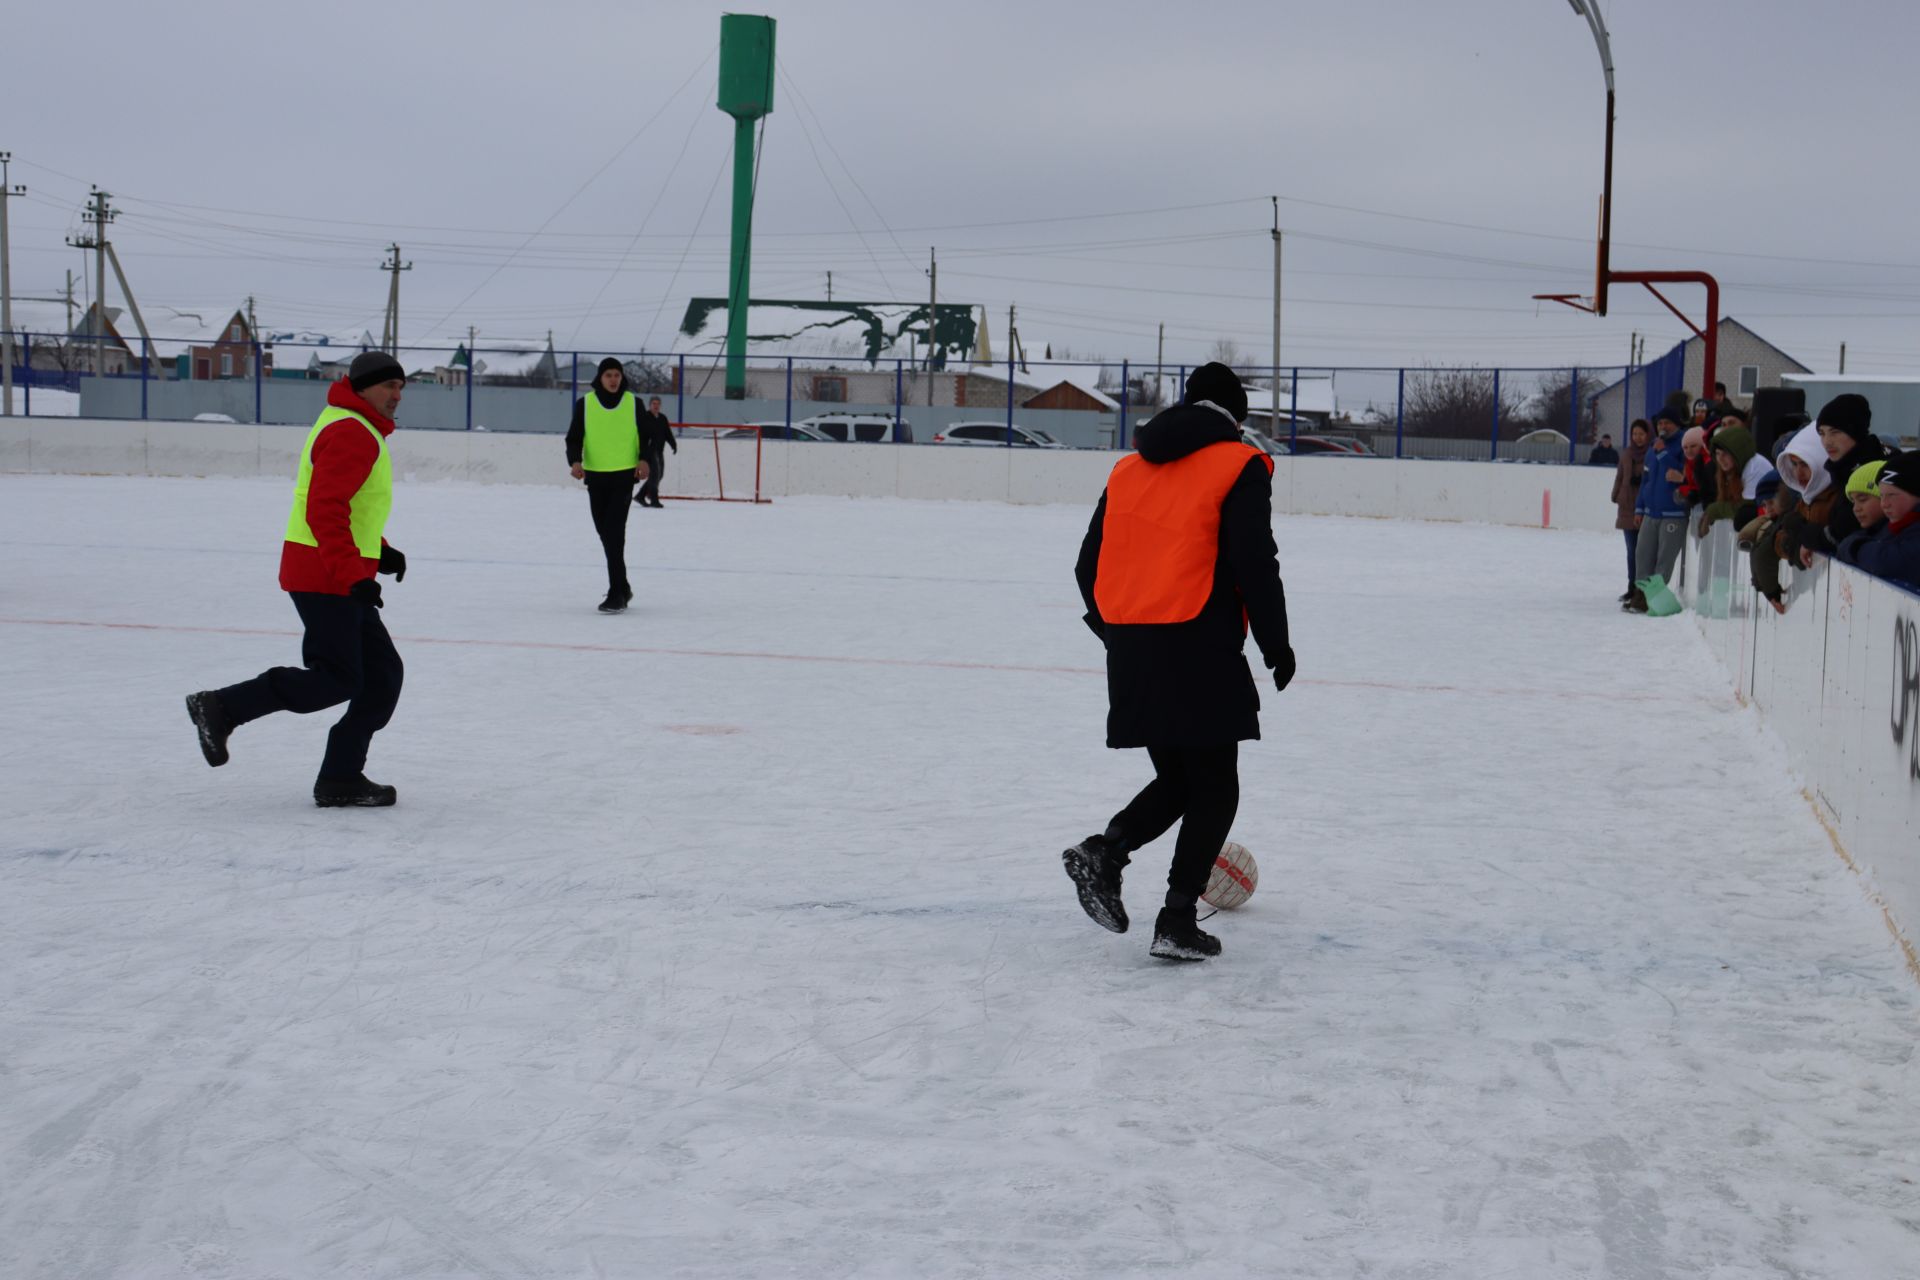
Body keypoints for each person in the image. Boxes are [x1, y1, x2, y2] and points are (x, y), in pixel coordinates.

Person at [1064, 362, 1294, 962]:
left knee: (1182, 779)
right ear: (1237, 417)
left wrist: (1116, 633)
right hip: (1199, 642)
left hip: (1132, 646)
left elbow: (1088, 566)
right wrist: (1276, 643)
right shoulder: (1237, 464)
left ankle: (1107, 853)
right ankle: (1176, 918)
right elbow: (1254, 560)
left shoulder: (1128, 468)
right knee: (1216, 787)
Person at [184, 351, 412, 807]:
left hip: (336, 570)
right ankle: (223, 707)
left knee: (382, 677)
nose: (396, 396)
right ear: (364, 386)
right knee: (338, 678)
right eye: (389, 386)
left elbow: (350, 507)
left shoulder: (355, 425)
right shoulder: (352, 431)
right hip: (325, 574)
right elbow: (325, 509)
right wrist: (354, 573)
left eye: (400, 388)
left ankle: (341, 777)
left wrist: (379, 553)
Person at [566, 358, 661, 612]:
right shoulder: (585, 404)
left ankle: (615, 593)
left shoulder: (634, 403)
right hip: (596, 477)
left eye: (617, 375)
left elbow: (648, 436)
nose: (613, 380)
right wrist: (575, 461)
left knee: (613, 532)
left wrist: (644, 459)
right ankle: (624, 587)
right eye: (608, 375)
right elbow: (574, 437)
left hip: (624, 477)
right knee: (605, 533)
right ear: (600, 377)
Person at [1794, 394, 1884, 564]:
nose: (1827, 442)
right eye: (1822, 433)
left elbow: (1841, 532)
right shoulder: (1840, 472)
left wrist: (1803, 533)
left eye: (1835, 432)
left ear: (1856, 432)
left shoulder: (1873, 471)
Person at [1626, 407, 1689, 613]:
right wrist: (1639, 508)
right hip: (1651, 513)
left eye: (1667, 423)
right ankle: (1640, 595)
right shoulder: (1653, 447)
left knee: (1664, 559)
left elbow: (1682, 472)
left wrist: (1663, 452)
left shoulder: (1682, 445)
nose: (1663, 426)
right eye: (1660, 423)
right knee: (1642, 554)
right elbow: (1646, 480)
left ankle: (1652, 599)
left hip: (1673, 513)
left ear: (1677, 424)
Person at [1834, 452, 1920, 590]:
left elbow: (1889, 561)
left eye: (1892, 495)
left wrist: (1856, 549)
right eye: (1881, 496)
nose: (1884, 504)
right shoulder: (1895, 526)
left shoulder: (1912, 529)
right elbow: (1845, 545)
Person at [1610, 420, 1650, 602]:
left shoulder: (1652, 454)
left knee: (1644, 551)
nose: (1638, 437)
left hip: (1645, 506)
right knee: (1631, 550)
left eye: (1641, 434)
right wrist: (1616, 495)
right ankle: (1631, 586)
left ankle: (1643, 588)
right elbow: (1619, 476)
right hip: (1627, 507)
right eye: (1635, 434)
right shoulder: (1626, 454)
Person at [634, 395, 679, 509]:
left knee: (659, 475)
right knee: (654, 474)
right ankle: (654, 499)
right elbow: (641, 435)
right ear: (650, 405)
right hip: (649, 451)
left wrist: (673, 444)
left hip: (659, 450)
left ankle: (640, 495)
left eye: (658, 404)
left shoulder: (662, 418)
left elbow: (667, 433)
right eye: (654, 403)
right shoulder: (645, 417)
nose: (656, 406)